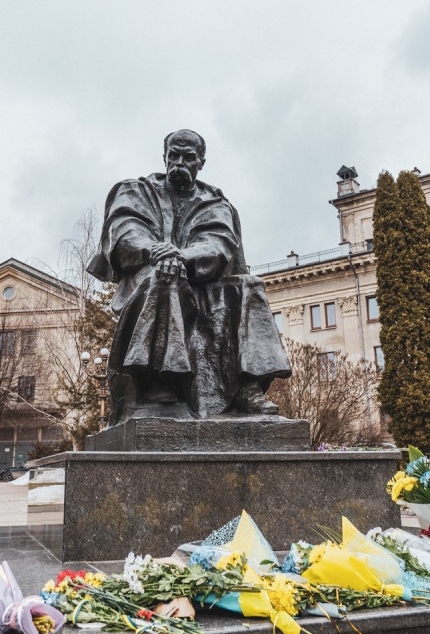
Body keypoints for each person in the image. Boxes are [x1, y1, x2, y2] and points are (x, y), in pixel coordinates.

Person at [88, 129, 291, 425]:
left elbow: (218, 243)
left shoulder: (214, 202)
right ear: (164, 156)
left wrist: (183, 256)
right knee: (165, 275)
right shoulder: (136, 191)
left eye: (188, 157)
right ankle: (163, 381)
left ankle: (247, 388)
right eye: (174, 155)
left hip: (200, 280)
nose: (179, 163)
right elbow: (125, 232)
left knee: (250, 285)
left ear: (201, 162)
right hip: (147, 277)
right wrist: (157, 252)